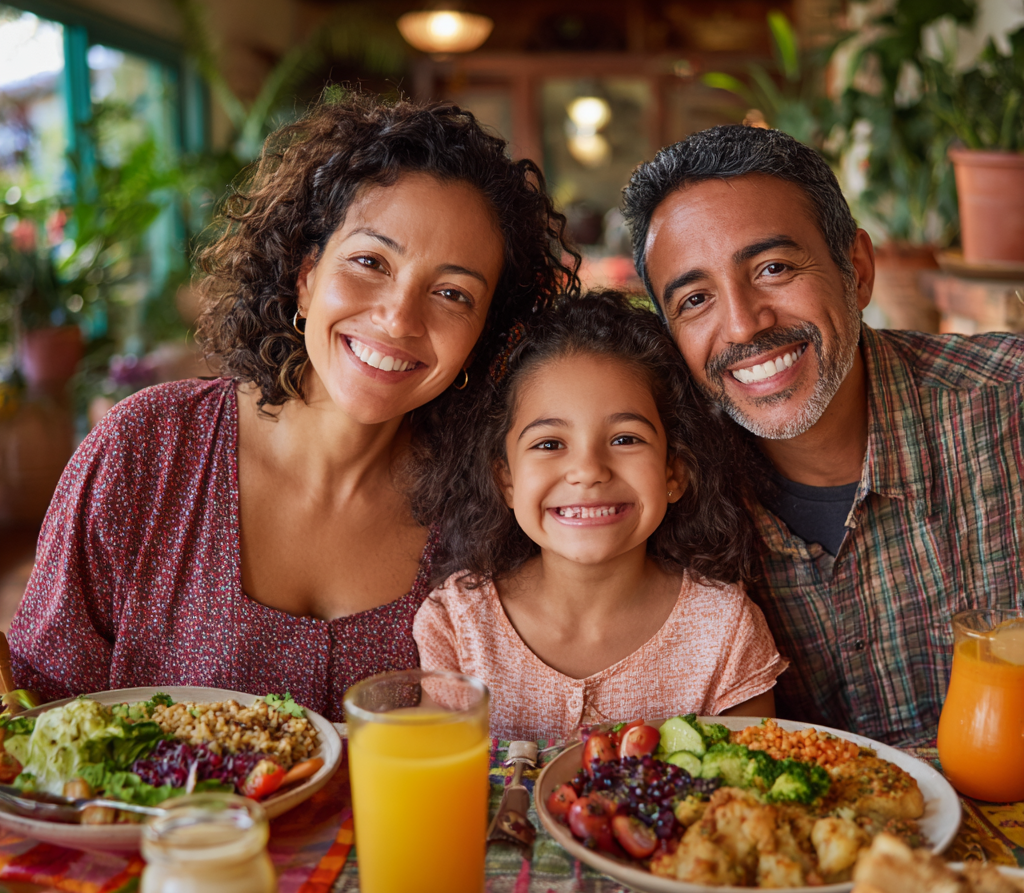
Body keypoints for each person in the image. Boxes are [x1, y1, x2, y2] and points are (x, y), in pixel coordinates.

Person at [9, 95, 577, 719]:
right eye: (369, 262)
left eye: (451, 293)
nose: (398, 318)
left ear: (484, 333)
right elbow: (38, 718)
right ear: (306, 274)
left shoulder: (492, 502)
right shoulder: (145, 449)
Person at [622, 124, 1024, 745]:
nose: (742, 324)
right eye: (695, 299)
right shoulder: (662, 493)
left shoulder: (1008, 410)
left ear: (857, 270)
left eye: (774, 268)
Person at [412, 291, 784, 742]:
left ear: (675, 471)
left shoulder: (726, 631)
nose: (588, 470)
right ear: (505, 479)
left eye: (626, 439)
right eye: (549, 444)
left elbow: (745, 797)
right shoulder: (459, 623)